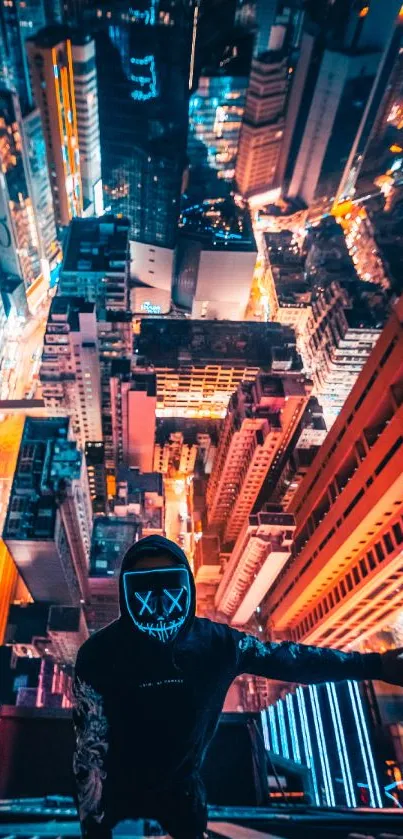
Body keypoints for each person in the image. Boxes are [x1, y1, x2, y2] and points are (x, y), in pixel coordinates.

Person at [72, 535, 403, 839]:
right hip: (117, 802)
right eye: (144, 586)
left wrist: (373, 665)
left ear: (186, 583)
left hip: (183, 800)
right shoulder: (100, 655)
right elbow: (89, 750)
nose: (158, 602)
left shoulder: (216, 645)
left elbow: (291, 659)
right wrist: (94, 822)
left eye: (168, 582)